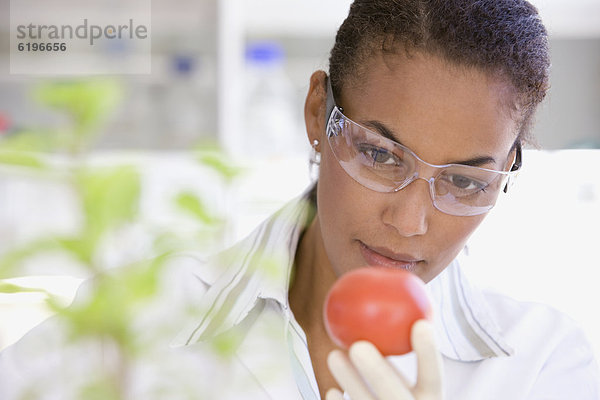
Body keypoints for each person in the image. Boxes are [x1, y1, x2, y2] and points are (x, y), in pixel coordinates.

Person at [1, 0, 599, 399]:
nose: (410, 222)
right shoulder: (135, 317)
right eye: (381, 155)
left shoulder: (541, 365)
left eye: (465, 182)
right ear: (319, 112)